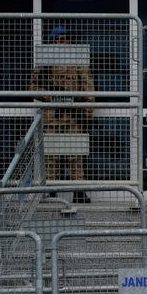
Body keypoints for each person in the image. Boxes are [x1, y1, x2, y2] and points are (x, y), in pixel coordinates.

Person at [29, 25, 95, 204]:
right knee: (52, 157)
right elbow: (32, 87)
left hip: (73, 117)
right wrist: (44, 94)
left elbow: (88, 88)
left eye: (64, 39)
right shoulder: (44, 65)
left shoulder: (78, 62)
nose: (61, 42)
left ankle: (78, 192)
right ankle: (52, 191)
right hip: (52, 117)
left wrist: (87, 114)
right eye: (57, 40)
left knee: (75, 156)